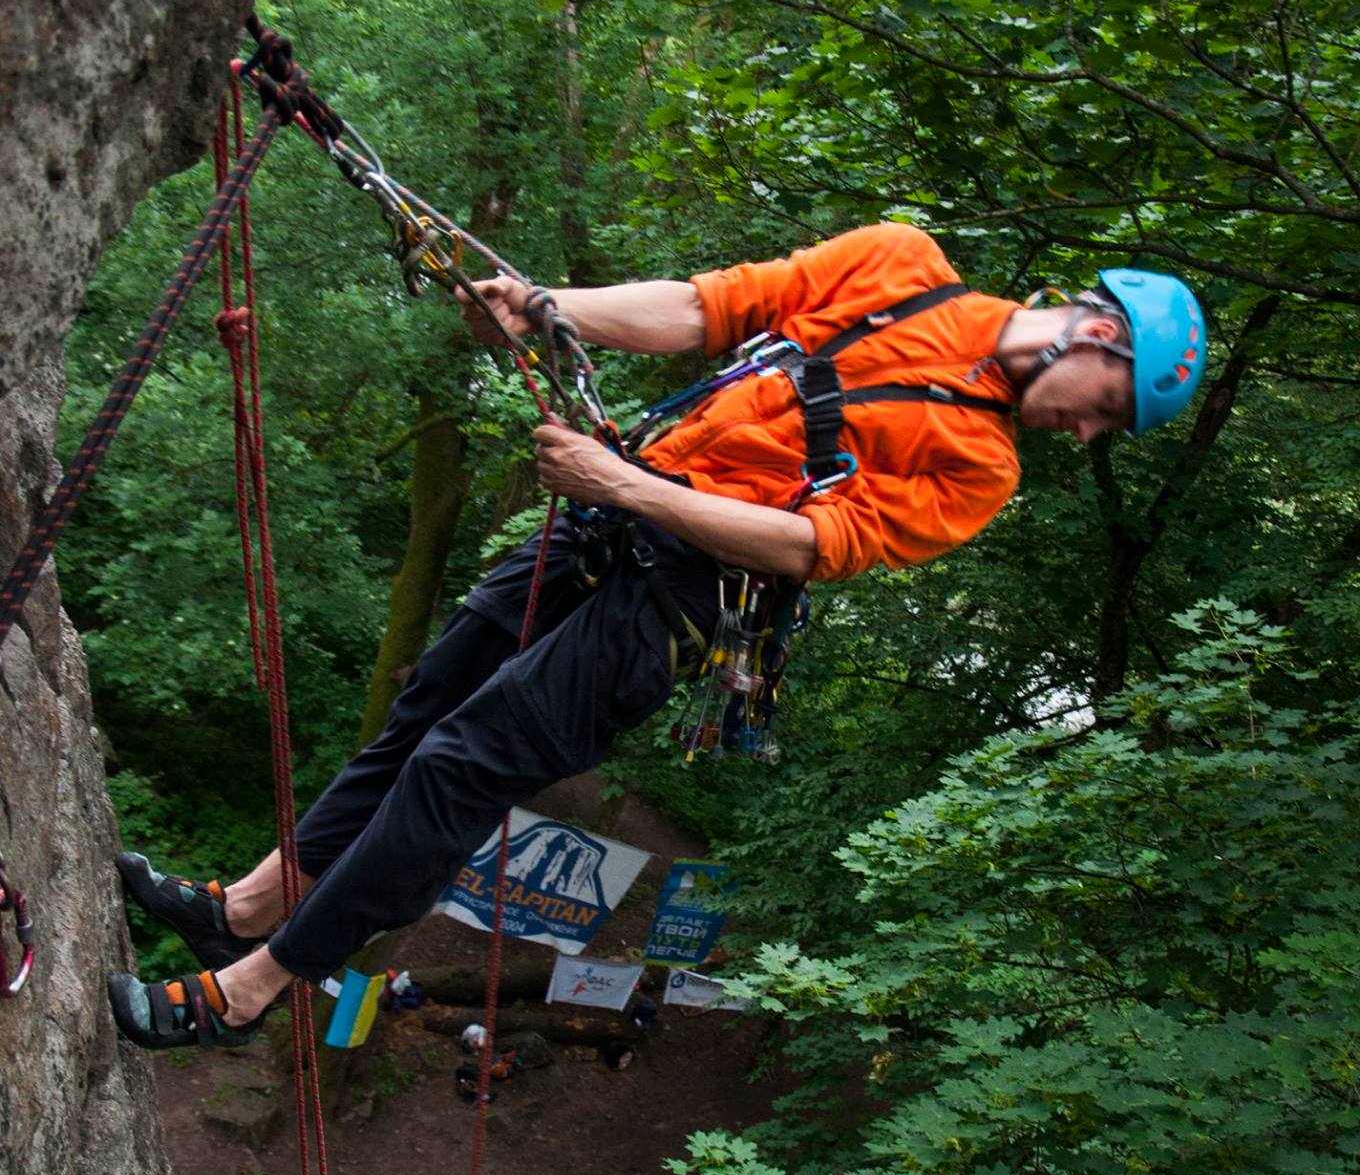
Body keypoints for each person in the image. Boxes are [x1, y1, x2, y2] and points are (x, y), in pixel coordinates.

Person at [108, 222, 1205, 1051]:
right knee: (422, 715)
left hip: (679, 599)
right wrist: (548, 309)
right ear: (1098, 332)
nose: (1086, 432)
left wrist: (628, 484)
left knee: (460, 766)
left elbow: (807, 543)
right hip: (604, 518)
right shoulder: (902, 264)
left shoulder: (981, 466)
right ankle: (242, 905)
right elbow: (709, 307)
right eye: (1107, 406)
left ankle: (252, 987)